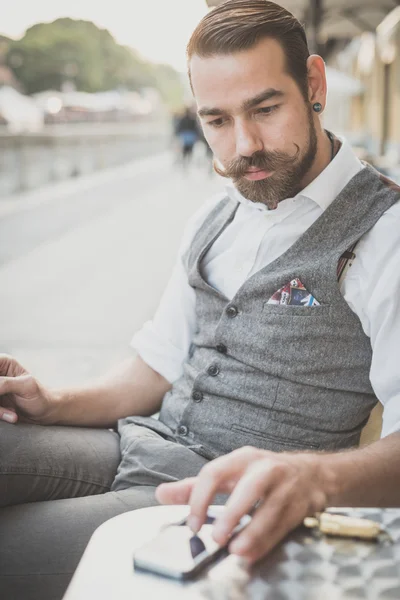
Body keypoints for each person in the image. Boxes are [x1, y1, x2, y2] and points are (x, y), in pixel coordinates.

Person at [1, 1, 400, 598]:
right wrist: (52, 400)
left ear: (314, 84)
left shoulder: (387, 232)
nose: (244, 145)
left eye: (265, 109)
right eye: (216, 120)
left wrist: (313, 476)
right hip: (137, 441)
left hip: (225, 503)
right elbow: (156, 365)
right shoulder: (215, 217)